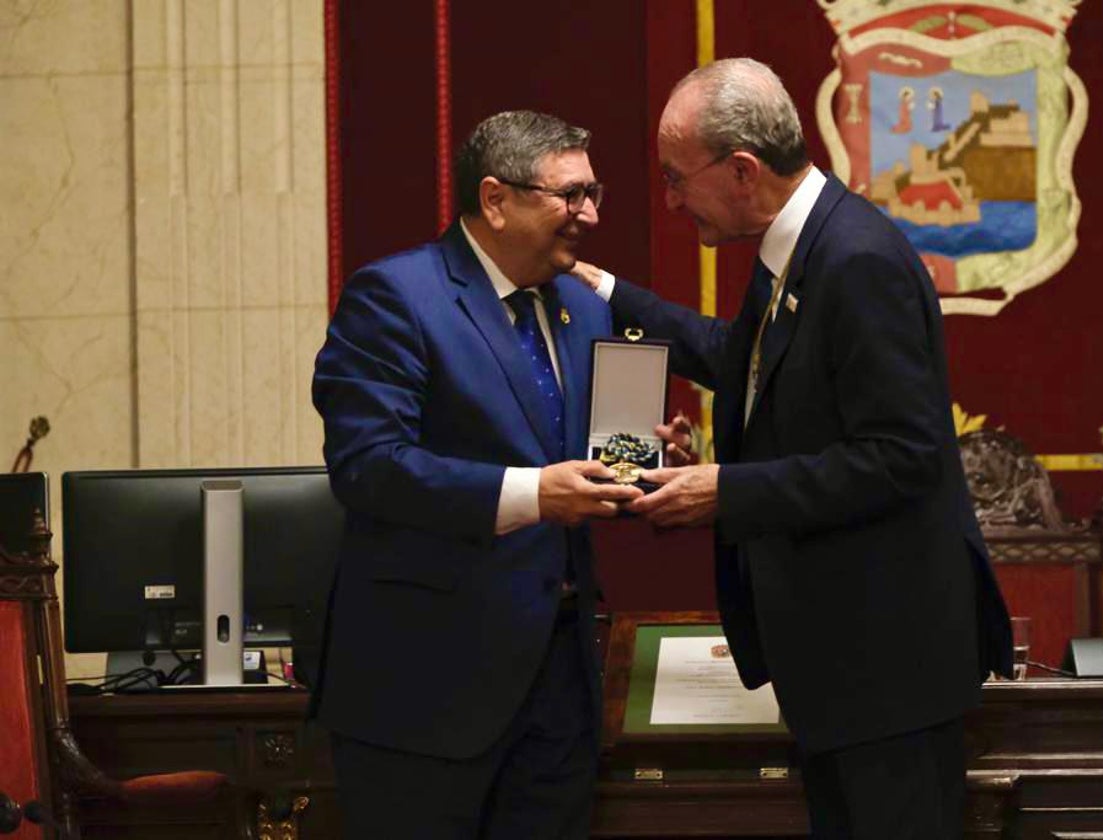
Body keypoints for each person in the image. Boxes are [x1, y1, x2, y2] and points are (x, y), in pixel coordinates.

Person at [571, 58, 1012, 839]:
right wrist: (604, 290)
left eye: (677, 178)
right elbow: (732, 356)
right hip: (841, 669)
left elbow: (902, 456)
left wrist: (726, 492)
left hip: (888, 671)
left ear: (742, 170)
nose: (669, 199)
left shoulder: (857, 261)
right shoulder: (795, 247)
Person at [311, 110, 642, 838]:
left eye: (594, 194)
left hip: (559, 683)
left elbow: (594, 450)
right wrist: (535, 494)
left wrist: (642, 466)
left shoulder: (583, 310)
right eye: (568, 195)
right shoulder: (396, 297)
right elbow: (368, 466)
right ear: (496, 199)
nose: (588, 214)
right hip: (425, 685)